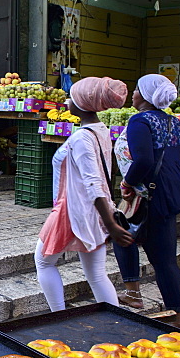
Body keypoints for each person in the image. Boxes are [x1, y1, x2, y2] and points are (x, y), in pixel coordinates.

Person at [35, 76, 134, 312]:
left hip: (74, 209)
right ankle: (115, 319)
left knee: (43, 261)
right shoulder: (100, 130)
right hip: (93, 211)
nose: (67, 100)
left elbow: (93, 183)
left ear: (81, 104)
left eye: (71, 96)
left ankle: (58, 314)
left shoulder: (81, 138)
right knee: (97, 274)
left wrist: (110, 225)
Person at [112, 74, 180, 329]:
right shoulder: (173, 121)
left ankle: (135, 294)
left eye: (137, 89)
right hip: (172, 193)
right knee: (162, 257)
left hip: (151, 194)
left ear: (146, 96)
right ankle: (177, 314)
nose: (133, 94)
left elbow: (143, 161)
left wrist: (128, 183)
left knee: (123, 233)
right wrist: (170, 165)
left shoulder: (140, 121)